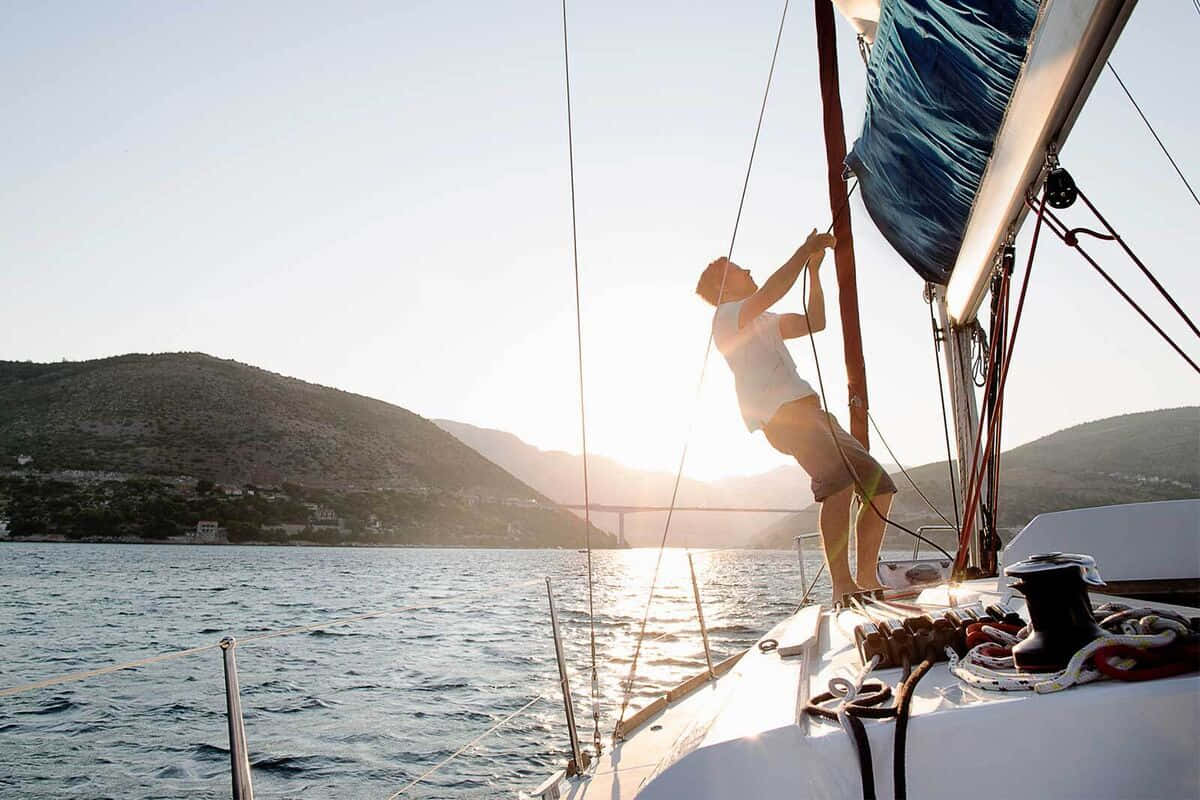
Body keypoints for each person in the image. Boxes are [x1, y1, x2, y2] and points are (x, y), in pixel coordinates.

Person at [695, 229, 897, 602]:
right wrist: (803, 250)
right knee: (836, 483)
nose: (748, 268)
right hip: (782, 417)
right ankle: (842, 587)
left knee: (878, 485)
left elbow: (814, 321)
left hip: (813, 413)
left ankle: (867, 577)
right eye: (739, 268)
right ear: (724, 287)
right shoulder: (725, 318)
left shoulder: (764, 319)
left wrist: (815, 271)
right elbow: (771, 289)